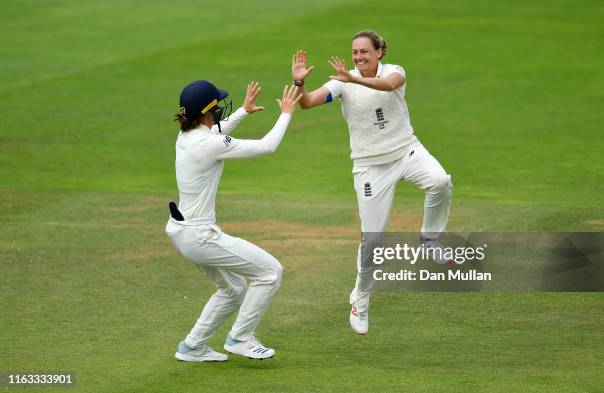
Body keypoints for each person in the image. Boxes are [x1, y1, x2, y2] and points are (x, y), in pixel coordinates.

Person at [290, 30, 453, 335]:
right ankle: (360, 301)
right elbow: (308, 103)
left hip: (407, 150)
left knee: (440, 181)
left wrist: (352, 80)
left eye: (364, 52)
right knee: (373, 240)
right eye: (355, 53)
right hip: (369, 166)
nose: (359, 57)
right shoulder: (343, 81)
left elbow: (389, 86)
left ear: (379, 52)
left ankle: (430, 239)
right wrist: (300, 81)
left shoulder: (394, 72)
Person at [165, 80, 301, 361]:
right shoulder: (210, 144)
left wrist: (243, 111)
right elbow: (267, 146)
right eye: (216, 105)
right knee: (270, 272)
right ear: (208, 110)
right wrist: (286, 112)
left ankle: (192, 347)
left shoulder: (186, 135)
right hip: (201, 235)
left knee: (234, 288)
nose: (219, 109)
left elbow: (216, 134)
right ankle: (240, 339)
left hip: (182, 232)